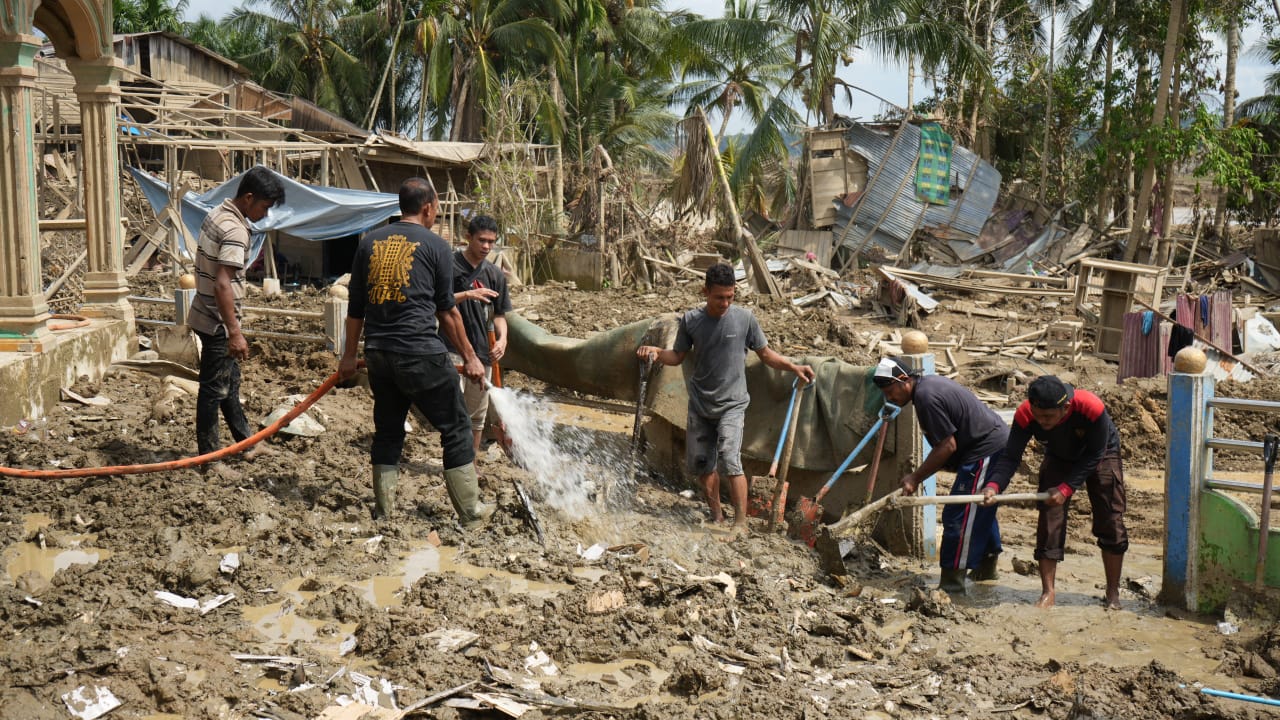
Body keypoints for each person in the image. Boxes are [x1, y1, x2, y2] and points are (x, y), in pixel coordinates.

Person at [337, 177, 489, 527]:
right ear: (427, 208)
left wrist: (349, 357)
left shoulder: (368, 243)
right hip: (420, 352)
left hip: (378, 354)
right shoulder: (435, 246)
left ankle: (385, 511)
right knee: (456, 427)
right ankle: (471, 512)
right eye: (436, 209)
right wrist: (470, 357)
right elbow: (447, 311)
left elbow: (355, 308)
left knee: (389, 431)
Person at [637, 263, 815, 529]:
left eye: (730, 297)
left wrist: (793, 367)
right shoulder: (691, 321)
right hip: (700, 404)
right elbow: (676, 357)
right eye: (719, 297)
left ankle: (740, 523)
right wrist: (655, 351)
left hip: (732, 404)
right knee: (702, 465)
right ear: (705, 291)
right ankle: (718, 516)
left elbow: (766, 355)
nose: (725, 303)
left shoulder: (745, 320)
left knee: (731, 460)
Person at [981, 375, 1128, 609]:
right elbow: (1010, 457)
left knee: (1110, 517)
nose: (1042, 422)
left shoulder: (1090, 407)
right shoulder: (1026, 414)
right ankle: (1048, 592)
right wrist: (993, 485)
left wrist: (1067, 487)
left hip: (1101, 453)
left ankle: (1112, 593)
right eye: (1037, 416)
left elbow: (1095, 455)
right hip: (1059, 454)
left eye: (1048, 416)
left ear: (1065, 407)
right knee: (1050, 517)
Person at [875, 358, 1010, 594]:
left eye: (890, 392)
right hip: (989, 444)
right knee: (977, 507)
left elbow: (947, 446)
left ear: (904, 380)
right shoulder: (927, 387)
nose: (889, 398)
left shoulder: (926, 398)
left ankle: (952, 584)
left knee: (959, 515)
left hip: (987, 449)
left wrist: (915, 478)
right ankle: (986, 571)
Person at [187, 166, 286, 476]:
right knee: (213, 390)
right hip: (218, 322)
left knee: (229, 386)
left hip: (205, 313)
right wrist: (234, 332)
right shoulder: (236, 230)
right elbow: (222, 284)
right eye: (265, 207)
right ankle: (210, 461)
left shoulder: (217, 214)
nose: (265, 214)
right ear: (249, 198)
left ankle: (247, 443)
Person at [444, 214, 511, 451]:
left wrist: (502, 339)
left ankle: (471, 463)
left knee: (477, 415)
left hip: (483, 353)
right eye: (482, 240)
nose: (486, 246)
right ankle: (453, 460)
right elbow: (434, 304)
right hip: (451, 349)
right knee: (453, 409)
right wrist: (466, 295)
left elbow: (500, 315)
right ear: (468, 237)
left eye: (491, 242)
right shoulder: (447, 267)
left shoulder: (494, 275)